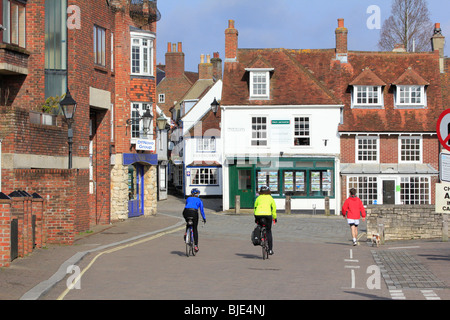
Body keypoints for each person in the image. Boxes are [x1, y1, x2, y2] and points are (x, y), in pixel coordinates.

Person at [254, 186, 277, 255]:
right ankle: (270, 250)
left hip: (258, 215)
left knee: (259, 225)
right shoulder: (270, 198)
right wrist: (274, 218)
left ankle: (259, 237)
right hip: (268, 215)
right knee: (268, 231)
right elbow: (274, 209)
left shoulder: (258, 198)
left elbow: (255, 208)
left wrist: (255, 218)